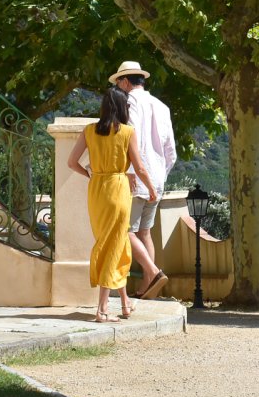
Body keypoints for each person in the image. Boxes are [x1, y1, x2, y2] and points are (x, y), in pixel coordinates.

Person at [67, 86, 159, 322]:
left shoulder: (89, 131)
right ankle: (102, 309)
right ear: (122, 107)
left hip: (97, 189)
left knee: (114, 243)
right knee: (113, 244)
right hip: (118, 189)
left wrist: (91, 173)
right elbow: (138, 167)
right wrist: (150, 189)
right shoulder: (127, 132)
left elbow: (72, 162)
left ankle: (125, 303)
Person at [108, 60, 177, 300]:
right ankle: (149, 288)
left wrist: (132, 173)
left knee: (125, 229)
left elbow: (130, 138)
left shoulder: (128, 102)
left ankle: (154, 273)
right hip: (157, 179)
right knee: (145, 232)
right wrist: (159, 177)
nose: (117, 87)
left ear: (126, 81)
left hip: (136, 177)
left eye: (118, 82)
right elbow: (171, 151)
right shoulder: (162, 106)